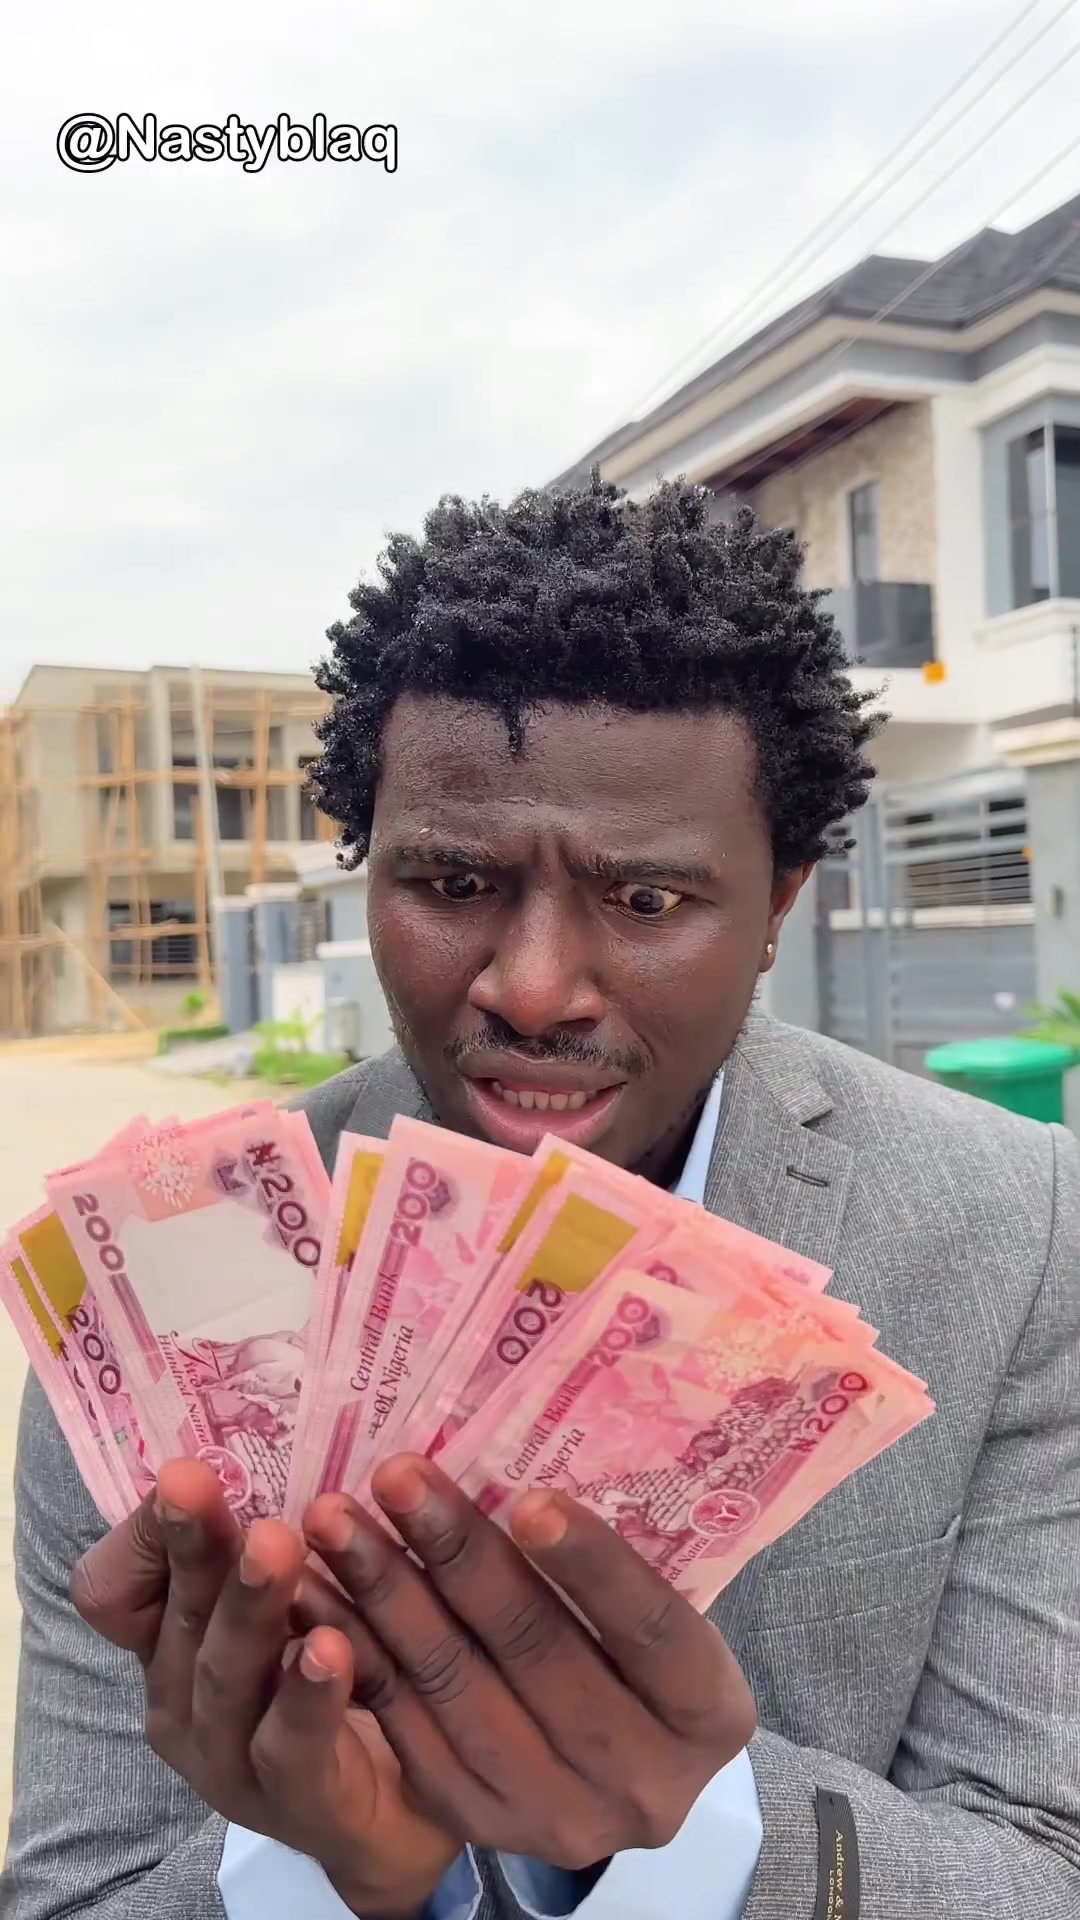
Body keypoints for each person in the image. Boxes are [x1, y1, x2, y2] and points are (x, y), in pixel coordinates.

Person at [3, 476, 1079, 1920]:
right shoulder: (159, 1286)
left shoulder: (1019, 1230)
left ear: (780, 903)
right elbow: (76, 1892)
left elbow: (1046, 1858)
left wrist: (702, 1836)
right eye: (454, 883)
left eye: (647, 901)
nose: (531, 988)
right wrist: (323, 1868)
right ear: (367, 870)